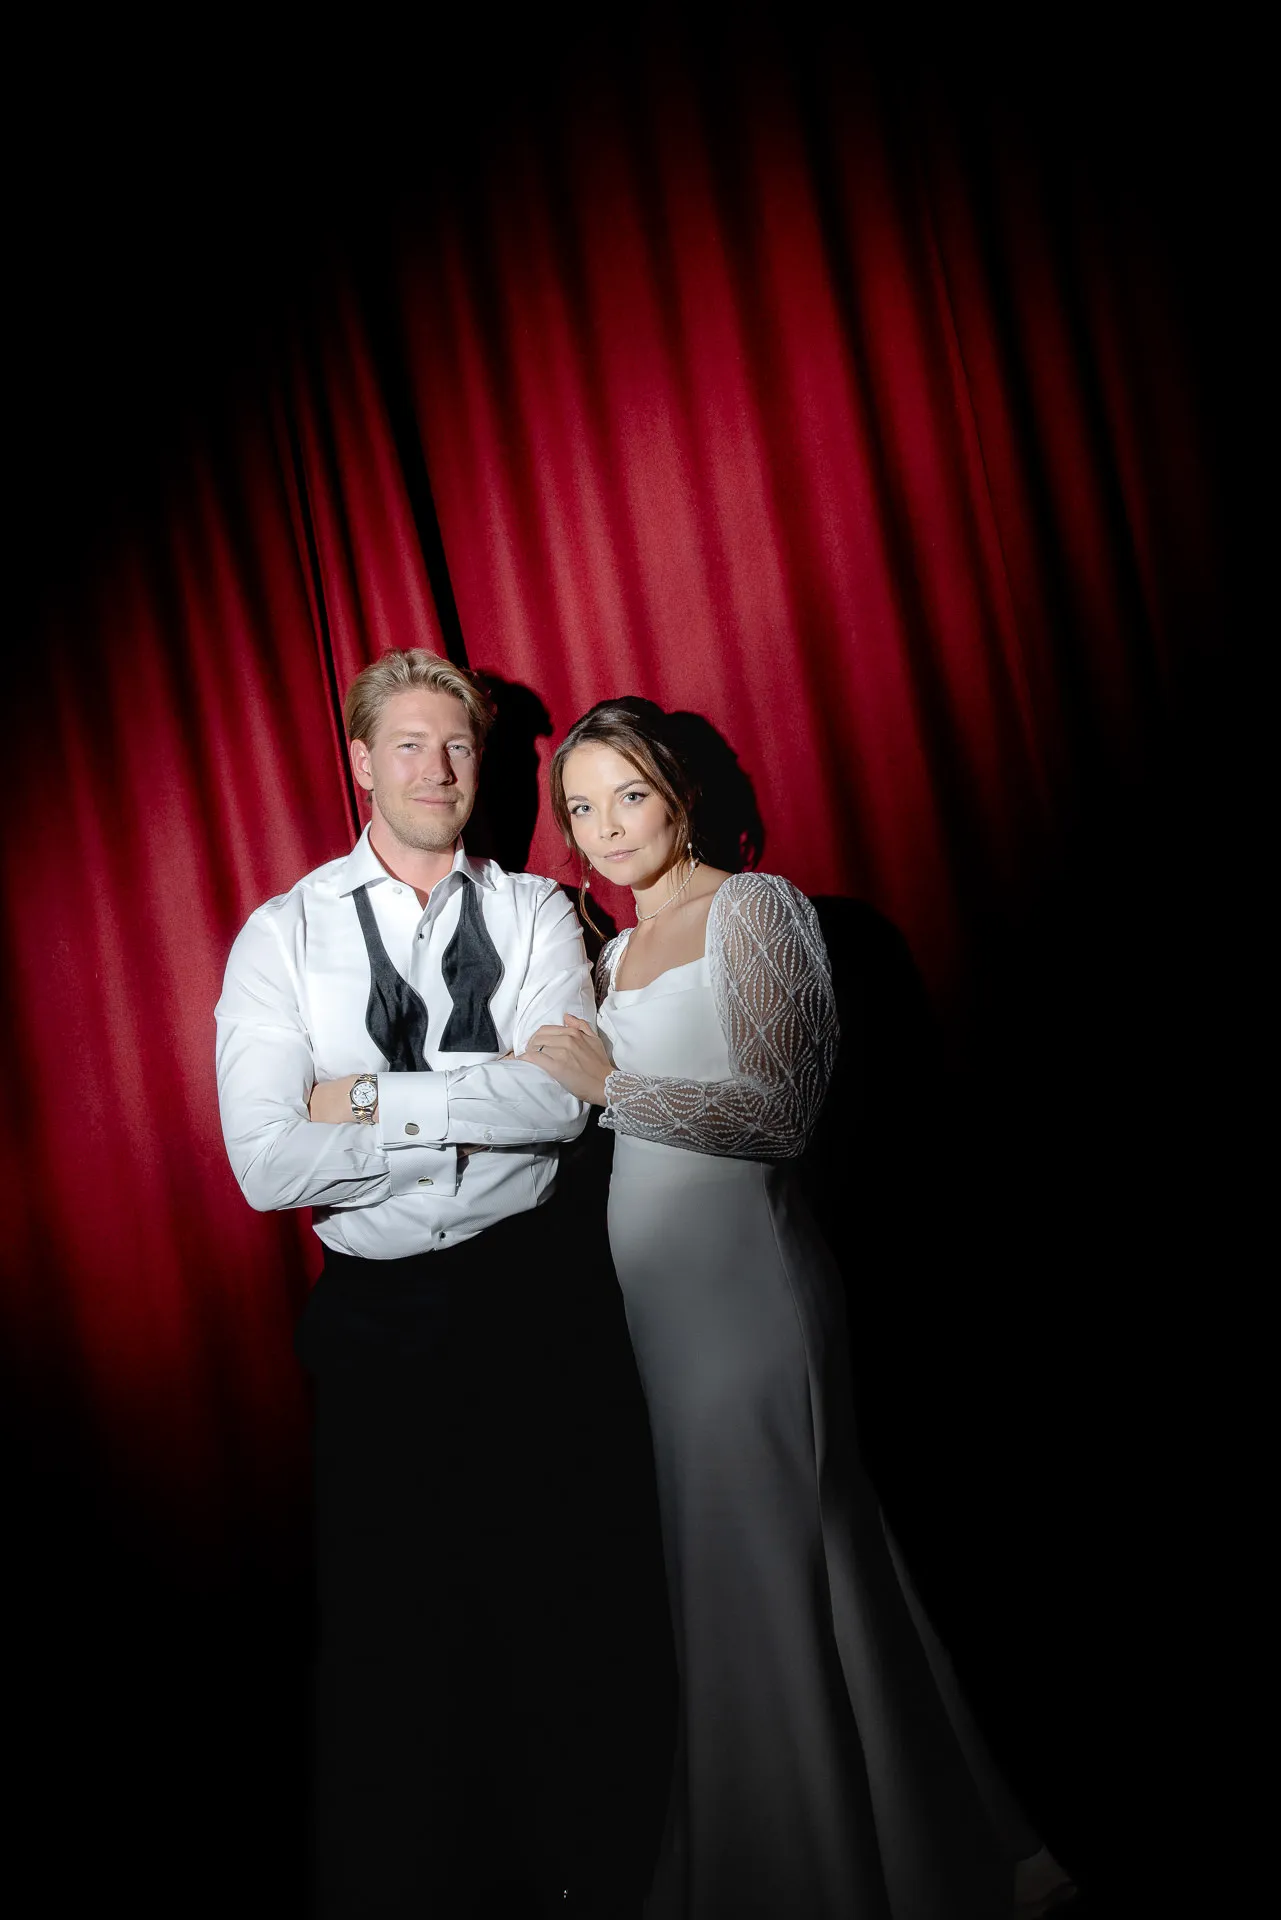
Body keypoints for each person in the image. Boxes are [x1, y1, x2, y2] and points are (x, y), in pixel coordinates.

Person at [522, 697, 1077, 1920]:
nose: (607, 830)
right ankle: (791, 1844)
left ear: (682, 794)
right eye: (581, 808)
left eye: (630, 796)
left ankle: (855, 1857)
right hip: (660, 1313)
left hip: (756, 1297)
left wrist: (612, 1082)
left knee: (790, 1547)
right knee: (734, 1565)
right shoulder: (607, 956)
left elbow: (780, 1114)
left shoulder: (756, 910)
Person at [215, 650, 659, 1920]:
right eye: (407, 745)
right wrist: (477, 1102)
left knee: (562, 1616)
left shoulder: (530, 917)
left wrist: (362, 1100)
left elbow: (561, 1111)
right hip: (375, 1327)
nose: (437, 770)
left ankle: (593, 1879)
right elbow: (264, 1159)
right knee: (399, 1647)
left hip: (537, 1300)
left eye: (458, 748)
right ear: (359, 761)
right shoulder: (282, 936)